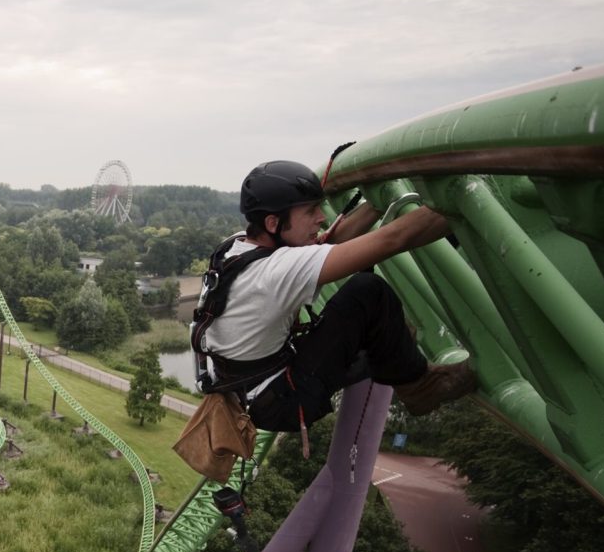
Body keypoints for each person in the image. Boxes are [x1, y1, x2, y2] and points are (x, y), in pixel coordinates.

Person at [197, 160, 476, 437]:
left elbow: (328, 247)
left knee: (376, 335)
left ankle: (397, 355)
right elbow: (393, 239)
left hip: (250, 390)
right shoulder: (277, 270)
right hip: (285, 399)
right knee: (368, 292)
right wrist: (461, 199)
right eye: (310, 211)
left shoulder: (237, 246)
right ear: (273, 222)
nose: (321, 217)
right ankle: (420, 388)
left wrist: (375, 205)